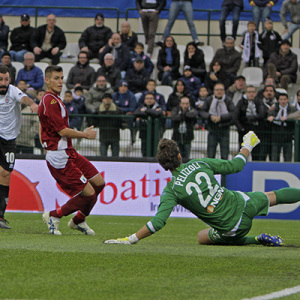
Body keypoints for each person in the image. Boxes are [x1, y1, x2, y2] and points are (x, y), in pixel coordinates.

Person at [105, 131, 300, 247]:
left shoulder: (171, 190)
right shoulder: (200, 163)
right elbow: (236, 166)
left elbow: (158, 222)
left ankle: (258, 239)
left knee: (202, 237)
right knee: (273, 196)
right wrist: (246, 146)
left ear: (163, 166)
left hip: (234, 227)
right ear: (180, 156)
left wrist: (131, 239)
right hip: (244, 202)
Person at [39, 65, 105, 236]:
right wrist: (85, 134)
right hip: (60, 157)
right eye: (56, 78)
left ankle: (78, 220)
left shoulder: (54, 99)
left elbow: (43, 123)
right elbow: (62, 131)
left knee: (99, 183)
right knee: (89, 194)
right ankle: (54, 215)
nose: (60, 82)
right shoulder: (50, 101)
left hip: (69, 152)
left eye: (61, 78)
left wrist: (44, 138)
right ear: (47, 80)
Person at [0, 65, 38, 229]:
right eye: (1, 79)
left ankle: (0, 216)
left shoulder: (13, 91)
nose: (3, 82)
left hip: (8, 139)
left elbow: (25, 98)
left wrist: (32, 104)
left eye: (6, 79)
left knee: (5, 173)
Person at [199, 82, 235, 160]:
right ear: (214, 91)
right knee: (211, 154)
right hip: (212, 130)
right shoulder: (209, 100)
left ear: (224, 91)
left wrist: (221, 118)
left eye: (221, 90)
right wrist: (210, 116)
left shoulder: (228, 100)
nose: (219, 91)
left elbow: (233, 113)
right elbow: (202, 112)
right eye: (217, 90)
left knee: (224, 155)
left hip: (225, 130)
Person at [234, 85, 264, 160]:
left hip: (256, 130)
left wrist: (248, 118)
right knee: (243, 152)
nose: (251, 94)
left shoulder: (259, 101)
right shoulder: (241, 102)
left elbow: (262, 114)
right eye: (249, 92)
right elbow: (235, 116)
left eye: (253, 92)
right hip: (244, 131)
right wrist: (241, 128)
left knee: (256, 152)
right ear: (246, 93)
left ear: (256, 93)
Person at [267, 91, 296, 162]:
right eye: (281, 99)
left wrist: (288, 118)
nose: (283, 101)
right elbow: (268, 115)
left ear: (287, 100)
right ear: (278, 100)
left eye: (285, 99)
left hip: (287, 136)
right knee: (275, 157)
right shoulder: (274, 109)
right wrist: (270, 117)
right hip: (276, 136)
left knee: (288, 157)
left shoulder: (292, 109)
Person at [134, 92, 163, 157]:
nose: (149, 100)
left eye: (151, 98)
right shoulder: (141, 106)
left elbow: (157, 113)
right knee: (144, 153)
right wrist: (151, 112)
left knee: (155, 154)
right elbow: (136, 112)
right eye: (147, 98)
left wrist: (146, 110)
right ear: (144, 100)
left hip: (155, 136)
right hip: (144, 135)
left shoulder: (158, 107)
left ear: (154, 100)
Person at [98, 93, 122, 157]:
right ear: (102, 100)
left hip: (115, 136)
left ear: (111, 100)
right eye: (105, 98)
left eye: (109, 98)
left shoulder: (118, 110)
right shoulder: (98, 110)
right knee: (103, 157)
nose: (107, 100)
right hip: (103, 136)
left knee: (115, 157)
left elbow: (122, 121)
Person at [258, 84, 277, 161]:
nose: (269, 93)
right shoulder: (259, 103)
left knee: (273, 157)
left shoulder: (278, 104)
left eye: (271, 91)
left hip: (275, 134)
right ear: (263, 93)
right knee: (262, 155)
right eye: (267, 91)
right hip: (262, 133)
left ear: (274, 93)